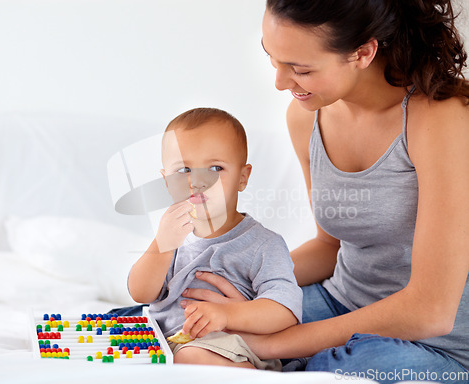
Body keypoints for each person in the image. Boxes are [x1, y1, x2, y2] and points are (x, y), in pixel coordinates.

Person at [179, 1, 469, 383]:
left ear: (363, 52)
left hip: (441, 343)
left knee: (330, 372)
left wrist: (274, 344)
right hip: (339, 301)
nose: (280, 82)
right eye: (272, 58)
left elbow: (431, 310)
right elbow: (328, 247)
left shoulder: (441, 117)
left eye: (301, 69)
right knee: (194, 344)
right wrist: (252, 288)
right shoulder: (306, 116)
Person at [127, 107, 303, 370]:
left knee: (190, 358)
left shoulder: (263, 244)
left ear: (242, 178)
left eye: (215, 168)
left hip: (229, 346)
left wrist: (227, 314)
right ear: (166, 181)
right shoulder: (172, 235)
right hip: (165, 344)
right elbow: (140, 293)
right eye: (184, 170)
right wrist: (161, 245)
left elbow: (285, 311)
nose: (197, 181)